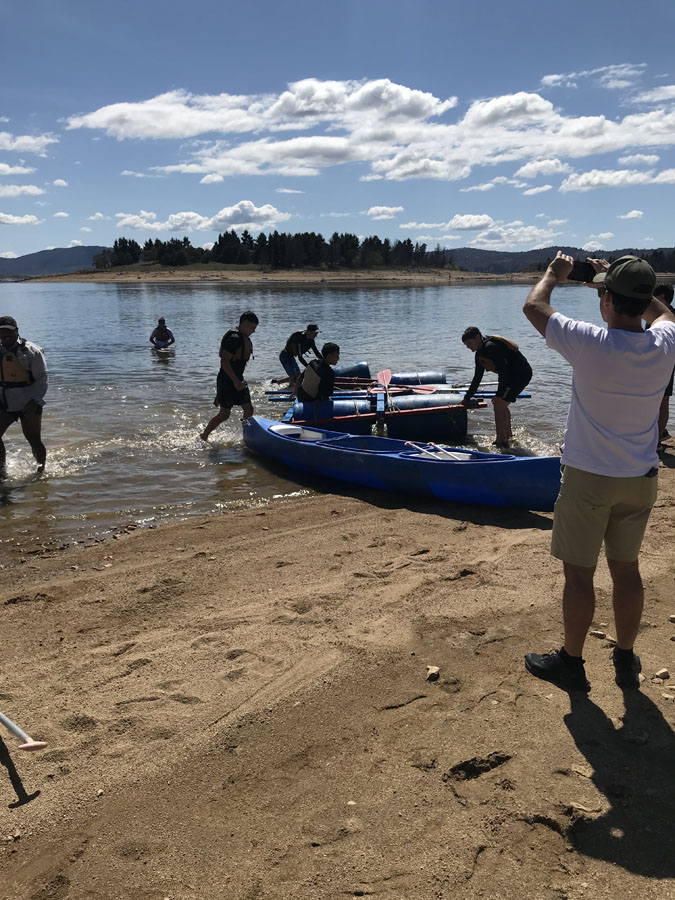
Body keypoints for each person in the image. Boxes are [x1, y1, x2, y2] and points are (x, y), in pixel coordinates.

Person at [522, 252, 675, 693]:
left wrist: (555, 273)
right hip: (640, 478)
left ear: (607, 300)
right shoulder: (664, 343)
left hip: (589, 478)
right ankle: (625, 657)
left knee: (579, 575)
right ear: (644, 300)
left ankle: (572, 663)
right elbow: (664, 314)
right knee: (626, 570)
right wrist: (615, 283)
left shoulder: (589, 342)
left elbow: (534, 306)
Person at [460, 326, 532, 448]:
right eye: (466, 345)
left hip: (521, 374)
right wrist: (466, 398)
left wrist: (499, 394)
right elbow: (477, 378)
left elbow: (503, 372)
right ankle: (508, 436)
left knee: (499, 403)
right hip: (510, 376)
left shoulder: (491, 347)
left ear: (478, 337)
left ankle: (500, 441)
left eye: (470, 343)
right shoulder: (479, 354)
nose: (468, 347)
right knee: (501, 404)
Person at [0, 316, 48, 475]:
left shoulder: (31, 351)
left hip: (29, 402)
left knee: (33, 439)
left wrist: (35, 400)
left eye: (8, 332)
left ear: (17, 331)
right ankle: (2, 472)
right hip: (6, 402)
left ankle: (41, 471)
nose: (5, 336)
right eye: (1, 332)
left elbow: (42, 378)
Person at [200, 311, 259, 440]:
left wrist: (238, 381)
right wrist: (235, 381)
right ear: (245, 324)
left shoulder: (242, 338)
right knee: (224, 414)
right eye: (252, 328)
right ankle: (204, 436)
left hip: (238, 379)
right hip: (227, 380)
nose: (254, 331)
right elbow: (224, 361)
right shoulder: (234, 339)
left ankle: (246, 437)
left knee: (248, 409)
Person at [652, 283, 674, 447]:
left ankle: (657, 440)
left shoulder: (670, 317)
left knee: (663, 401)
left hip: (666, 364)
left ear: (662, 298)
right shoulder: (655, 316)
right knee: (653, 401)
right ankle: (660, 432)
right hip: (653, 363)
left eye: (654, 297)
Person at [276, 324, 322, 391]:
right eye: (315, 333)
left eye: (317, 333)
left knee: (298, 376)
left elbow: (316, 352)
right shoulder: (299, 337)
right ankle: (283, 392)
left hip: (291, 357)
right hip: (285, 356)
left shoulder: (311, 341)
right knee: (294, 380)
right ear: (309, 332)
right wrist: (309, 367)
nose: (316, 335)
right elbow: (300, 357)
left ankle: (277, 382)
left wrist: (324, 361)